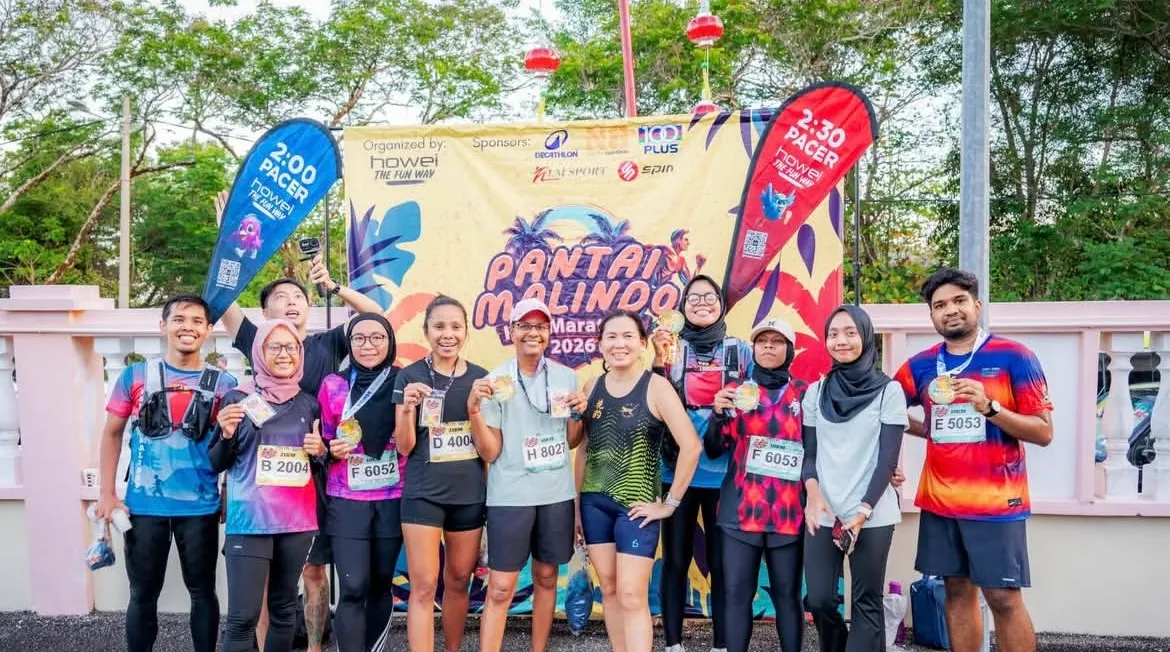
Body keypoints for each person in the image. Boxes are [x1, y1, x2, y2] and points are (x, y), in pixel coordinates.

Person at [217, 179, 383, 652]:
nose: (291, 302)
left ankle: (313, 646)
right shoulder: (258, 340)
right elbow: (223, 301)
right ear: (265, 312)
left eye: (300, 297)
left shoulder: (328, 342)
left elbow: (376, 316)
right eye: (281, 298)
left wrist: (334, 286)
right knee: (265, 587)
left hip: (318, 469)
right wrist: (229, 240)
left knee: (314, 570)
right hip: (262, 483)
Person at [895, 268, 1054, 652]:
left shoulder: (1015, 356)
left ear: (977, 306)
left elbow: (1043, 432)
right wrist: (927, 429)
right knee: (955, 590)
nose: (950, 310)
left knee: (1003, 598)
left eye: (959, 301)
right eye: (940, 305)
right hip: (941, 502)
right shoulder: (920, 365)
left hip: (996, 502)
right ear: (932, 315)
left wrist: (990, 407)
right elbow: (887, 410)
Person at [94, 295, 237, 652]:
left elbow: (234, 445)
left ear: (209, 330)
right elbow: (111, 434)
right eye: (179, 319)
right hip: (144, 507)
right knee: (142, 594)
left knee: (203, 592)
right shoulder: (135, 376)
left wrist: (228, 495)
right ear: (163, 326)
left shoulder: (224, 384)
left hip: (201, 507)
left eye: (197, 321)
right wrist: (107, 494)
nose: (188, 327)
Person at [577, 309, 701, 652]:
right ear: (600, 343)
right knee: (610, 590)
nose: (619, 344)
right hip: (593, 503)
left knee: (632, 595)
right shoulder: (591, 386)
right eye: (611, 336)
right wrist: (576, 505)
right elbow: (584, 448)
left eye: (628, 336)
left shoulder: (656, 387)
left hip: (636, 507)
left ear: (643, 343)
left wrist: (669, 504)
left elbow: (691, 446)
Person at [470, 298, 589, 652]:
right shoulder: (494, 381)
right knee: (501, 587)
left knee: (547, 577)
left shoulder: (566, 377)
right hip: (511, 495)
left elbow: (571, 441)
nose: (532, 333)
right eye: (524, 325)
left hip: (555, 494)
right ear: (511, 331)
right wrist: (474, 411)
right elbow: (490, 452)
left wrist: (578, 415)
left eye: (540, 326)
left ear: (549, 333)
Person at [650, 274, 751, 652]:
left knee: (722, 564)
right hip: (676, 470)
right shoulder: (671, 348)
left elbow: (757, 400)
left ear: (722, 305)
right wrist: (657, 359)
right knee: (675, 560)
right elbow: (654, 398)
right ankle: (673, 644)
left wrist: (734, 406)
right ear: (682, 306)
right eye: (693, 297)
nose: (702, 303)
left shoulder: (740, 351)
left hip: (725, 472)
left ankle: (722, 644)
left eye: (710, 297)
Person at [210, 320, 324, 652]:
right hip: (250, 521)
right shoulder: (238, 399)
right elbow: (216, 462)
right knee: (242, 618)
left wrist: (320, 451)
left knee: (285, 610)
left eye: (291, 347)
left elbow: (319, 464)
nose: (284, 354)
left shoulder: (309, 403)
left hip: (297, 523)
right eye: (274, 347)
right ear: (260, 352)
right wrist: (226, 435)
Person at [802, 305, 906, 652]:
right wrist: (813, 494)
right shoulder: (815, 392)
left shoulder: (889, 391)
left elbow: (887, 459)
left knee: (866, 602)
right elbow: (810, 456)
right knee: (819, 599)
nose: (841, 341)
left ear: (865, 336)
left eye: (850, 332)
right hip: (825, 512)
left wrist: (863, 511)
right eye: (833, 334)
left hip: (872, 513)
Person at [703, 318, 807, 652]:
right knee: (736, 594)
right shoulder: (737, 392)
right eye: (762, 341)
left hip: (788, 512)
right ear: (753, 348)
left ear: (790, 350)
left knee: (788, 595)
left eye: (777, 341)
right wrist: (717, 415)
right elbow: (714, 449)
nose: (768, 347)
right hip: (740, 511)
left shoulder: (805, 393)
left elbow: (820, 449)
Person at [392, 295, 489, 652]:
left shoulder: (481, 378)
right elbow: (404, 447)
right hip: (423, 494)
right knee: (423, 586)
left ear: (465, 332)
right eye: (439, 326)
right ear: (427, 331)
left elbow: (488, 448)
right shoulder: (409, 376)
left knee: (460, 579)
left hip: (469, 495)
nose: (447, 334)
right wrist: (407, 409)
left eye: (455, 326)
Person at [317, 313, 403, 652]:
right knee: (353, 587)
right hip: (346, 499)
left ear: (390, 342)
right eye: (359, 338)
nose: (368, 345)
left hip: (393, 497)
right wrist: (330, 449)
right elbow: (323, 441)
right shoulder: (333, 385)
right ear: (349, 343)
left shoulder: (404, 380)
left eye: (377, 337)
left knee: (381, 585)